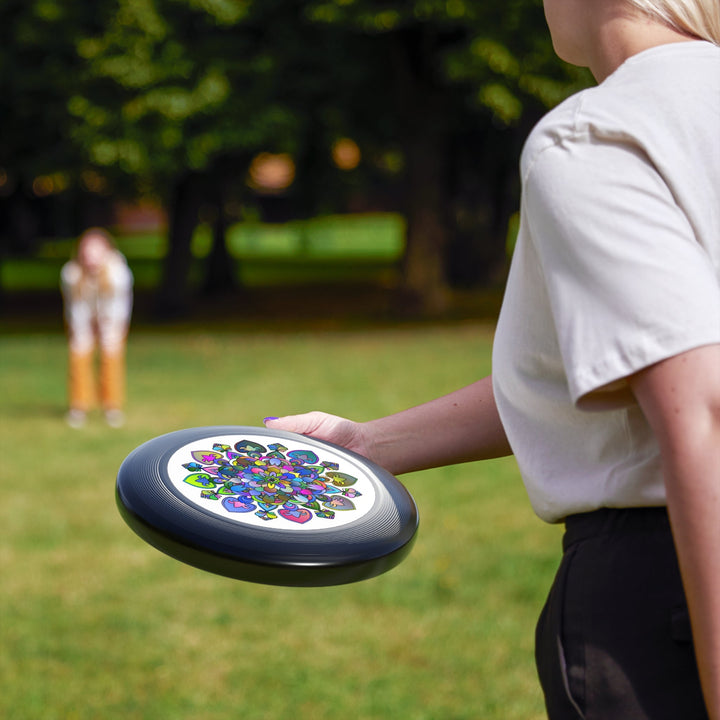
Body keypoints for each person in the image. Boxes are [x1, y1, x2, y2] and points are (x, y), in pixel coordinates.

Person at [264, 1, 720, 717]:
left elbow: (701, 408)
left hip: (669, 595)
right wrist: (368, 444)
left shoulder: (600, 134)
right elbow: (612, 369)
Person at [60, 227, 133, 428]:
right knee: (79, 354)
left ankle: (112, 406)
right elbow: (76, 306)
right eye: (87, 251)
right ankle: (79, 406)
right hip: (82, 319)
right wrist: (84, 329)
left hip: (112, 319)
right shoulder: (71, 273)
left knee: (111, 357)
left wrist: (106, 326)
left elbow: (118, 306)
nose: (91, 257)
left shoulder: (118, 273)